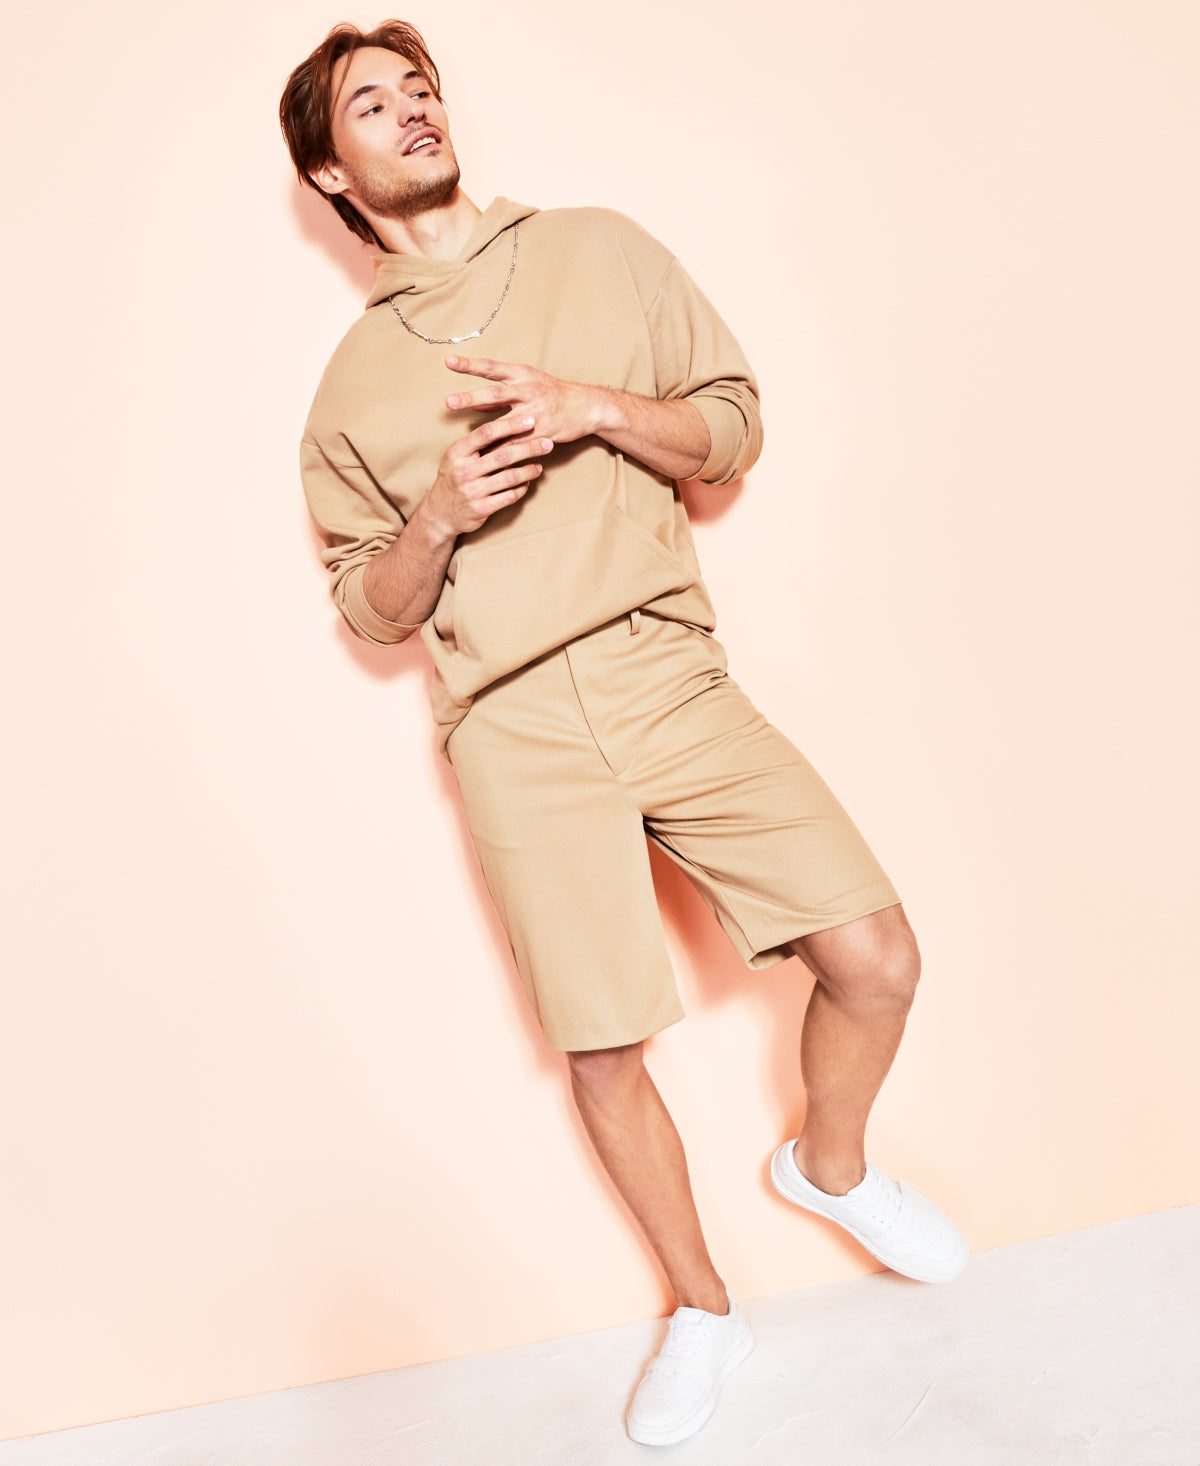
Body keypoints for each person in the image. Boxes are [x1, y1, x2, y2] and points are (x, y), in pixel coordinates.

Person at [280, 20, 969, 1448]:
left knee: (878, 957)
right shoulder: (347, 393)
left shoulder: (597, 248)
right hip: (512, 727)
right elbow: (369, 610)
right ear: (330, 174)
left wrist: (589, 407)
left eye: (420, 88)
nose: (412, 111)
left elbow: (733, 427)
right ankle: (703, 1309)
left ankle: (831, 1166)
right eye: (371, 105)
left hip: (666, 670)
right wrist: (439, 514)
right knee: (602, 1046)